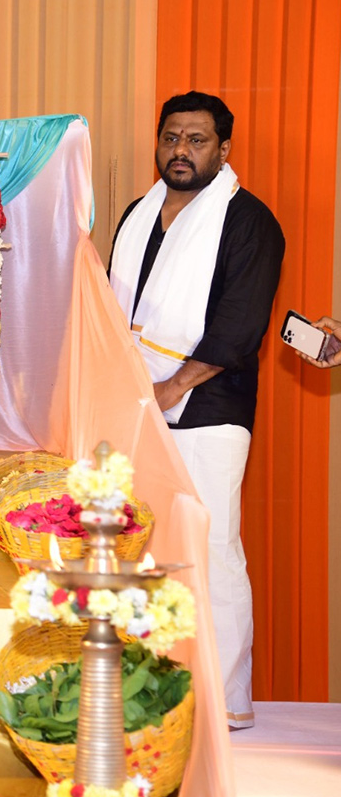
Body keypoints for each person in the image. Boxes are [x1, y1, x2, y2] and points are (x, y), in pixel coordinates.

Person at [109, 91, 284, 730]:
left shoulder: (249, 222)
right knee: (142, 545)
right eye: (171, 137)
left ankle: (227, 694)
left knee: (212, 544)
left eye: (197, 140)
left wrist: (169, 388)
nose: (180, 151)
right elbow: (113, 312)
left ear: (224, 149)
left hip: (209, 407)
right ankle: (156, 690)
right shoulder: (138, 213)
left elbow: (238, 329)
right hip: (133, 403)